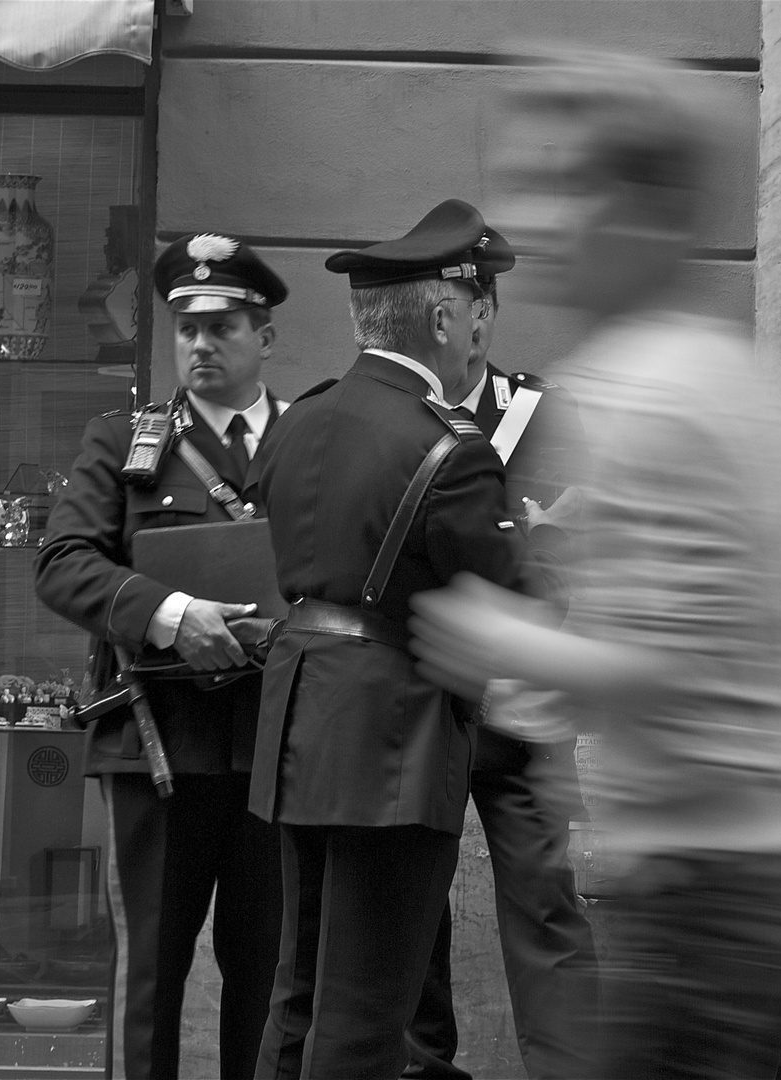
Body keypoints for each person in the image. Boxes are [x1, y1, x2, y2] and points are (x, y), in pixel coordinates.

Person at [407, 54, 781, 1080]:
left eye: (570, 185)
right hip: (735, 869)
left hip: (710, 887)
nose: (538, 216)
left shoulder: (650, 391)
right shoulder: (705, 371)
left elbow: (695, 666)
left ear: (650, 211)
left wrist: (507, 642)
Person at [247, 198, 528, 1080]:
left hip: (299, 717)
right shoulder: (454, 447)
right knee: (367, 1013)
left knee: (298, 992)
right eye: (474, 308)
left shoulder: (300, 418)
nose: (478, 327)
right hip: (394, 737)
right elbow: (496, 607)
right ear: (443, 315)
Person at [34, 234, 289, 1080]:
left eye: (222, 327)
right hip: (159, 749)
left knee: (271, 977)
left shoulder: (311, 442)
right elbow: (64, 564)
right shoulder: (122, 442)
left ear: (265, 335)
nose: (201, 345)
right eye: (187, 329)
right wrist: (172, 615)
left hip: (277, 751)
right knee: (148, 976)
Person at [404, 264, 600, 1080]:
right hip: (421, 697)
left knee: (546, 910)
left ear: (482, 315)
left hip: (521, 703)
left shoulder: (540, 416)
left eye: (456, 310)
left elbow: (575, 551)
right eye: (432, 310)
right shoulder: (397, 412)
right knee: (414, 911)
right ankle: (424, 1069)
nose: (447, 325)